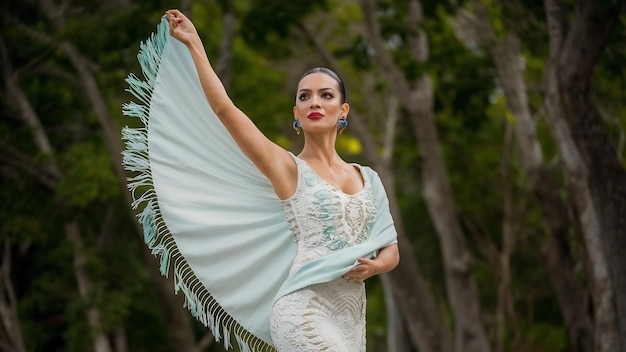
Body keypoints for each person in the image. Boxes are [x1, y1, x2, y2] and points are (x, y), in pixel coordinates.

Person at [127, 8, 398, 351]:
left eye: (326, 95)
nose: (314, 101)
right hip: (302, 312)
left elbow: (392, 249)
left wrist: (374, 267)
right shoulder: (287, 168)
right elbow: (226, 110)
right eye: (304, 96)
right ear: (297, 114)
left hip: (350, 320)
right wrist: (195, 44)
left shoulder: (369, 179)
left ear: (342, 111)